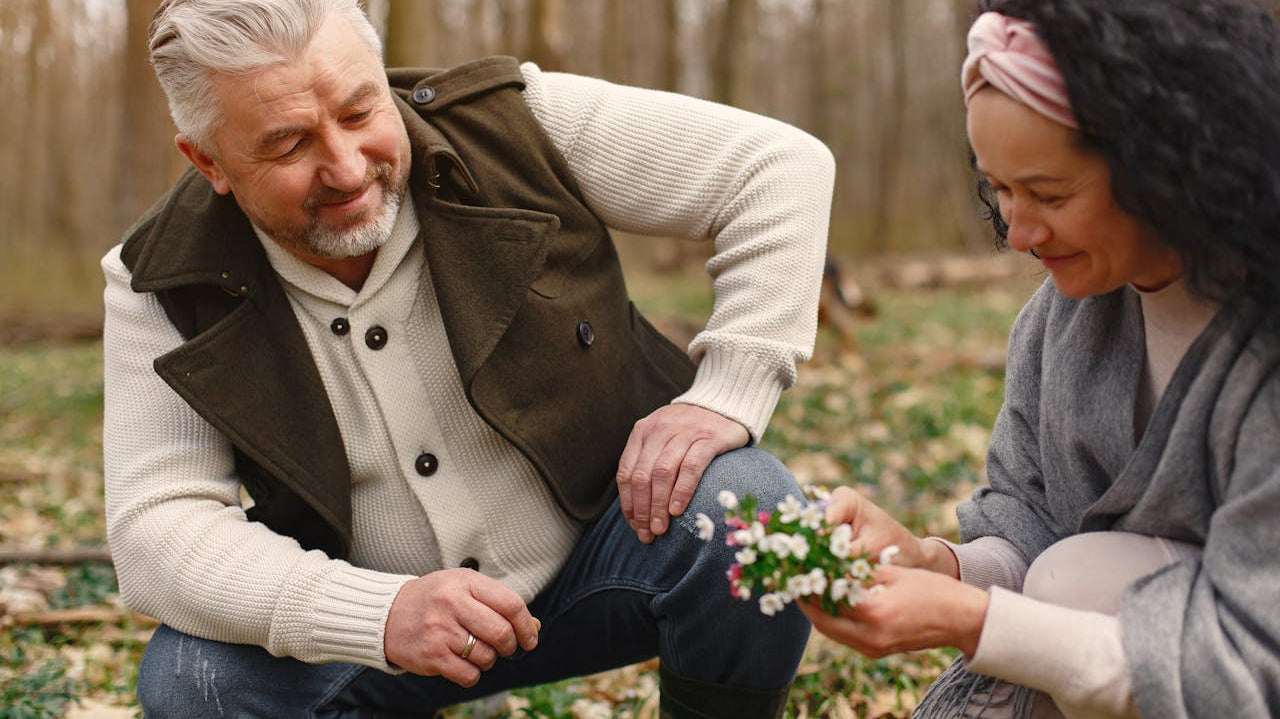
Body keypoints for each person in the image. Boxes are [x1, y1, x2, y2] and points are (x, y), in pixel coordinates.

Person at [101, 0, 835, 716]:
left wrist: (727, 388)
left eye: (361, 112)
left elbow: (779, 167)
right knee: (194, 681)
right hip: (370, 639)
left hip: (610, 558)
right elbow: (156, 528)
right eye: (290, 144)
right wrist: (378, 612)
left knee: (753, 509)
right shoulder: (159, 280)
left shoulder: (515, 123)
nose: (348, 167)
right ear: (208, 160)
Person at [797, 1, 1280, 718]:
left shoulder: (1261, 348)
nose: (1017, 232)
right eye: (999, 188)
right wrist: (933, 563)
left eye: (1047, 192)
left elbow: (1247, 665)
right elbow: (1033, 525)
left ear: (1163, 166)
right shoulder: (1061, 323)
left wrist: (971, 621)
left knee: (1073, 583)